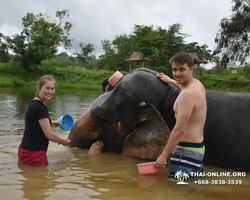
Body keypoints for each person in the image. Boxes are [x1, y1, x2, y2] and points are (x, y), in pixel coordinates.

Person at [156, 52, 207, 180]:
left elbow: (180, 129)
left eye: (181, 69)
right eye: (174, 69)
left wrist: (163, 155)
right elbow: (183, 87)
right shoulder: (197, 85)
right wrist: (170, 80)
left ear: (191, 69)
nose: (177, 73)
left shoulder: (187, 95)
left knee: (178, 191)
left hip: (186, 151)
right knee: (190, 188)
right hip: (197, 149)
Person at [18, 75, 71, 166]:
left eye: (52, 88)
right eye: (47, 88)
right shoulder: (40, 108)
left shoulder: (34, 103)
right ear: (39, 88)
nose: (50, 92)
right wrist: (64, 141)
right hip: (34, 153)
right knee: (41, 179)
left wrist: (53, 122)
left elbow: (34, 124)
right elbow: (50, 135)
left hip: (26, 150)